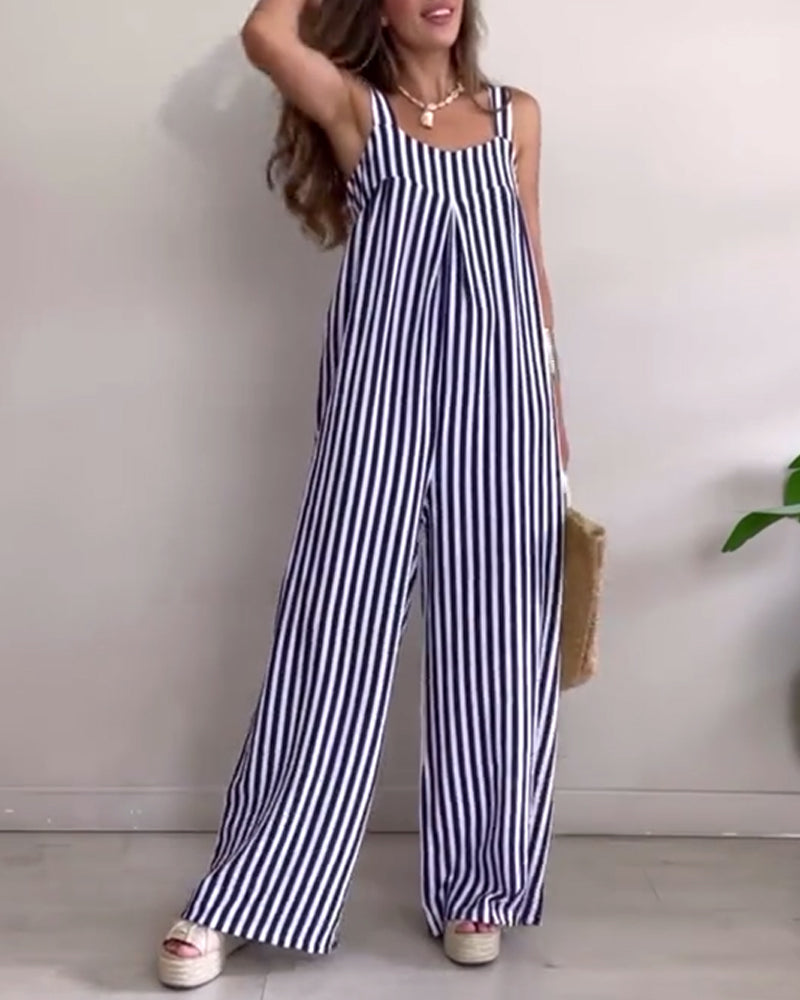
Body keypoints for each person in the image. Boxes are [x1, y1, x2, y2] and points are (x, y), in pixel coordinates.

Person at [157, 0, 569, 988]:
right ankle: (245, 895)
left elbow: (530, 261)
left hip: (504, 407)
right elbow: (266, 35)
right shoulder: (356, 109)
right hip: (377, 410)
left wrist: (554, 407)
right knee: (332, 639)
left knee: (499, 649)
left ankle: (477, 884)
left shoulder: (514, 115)